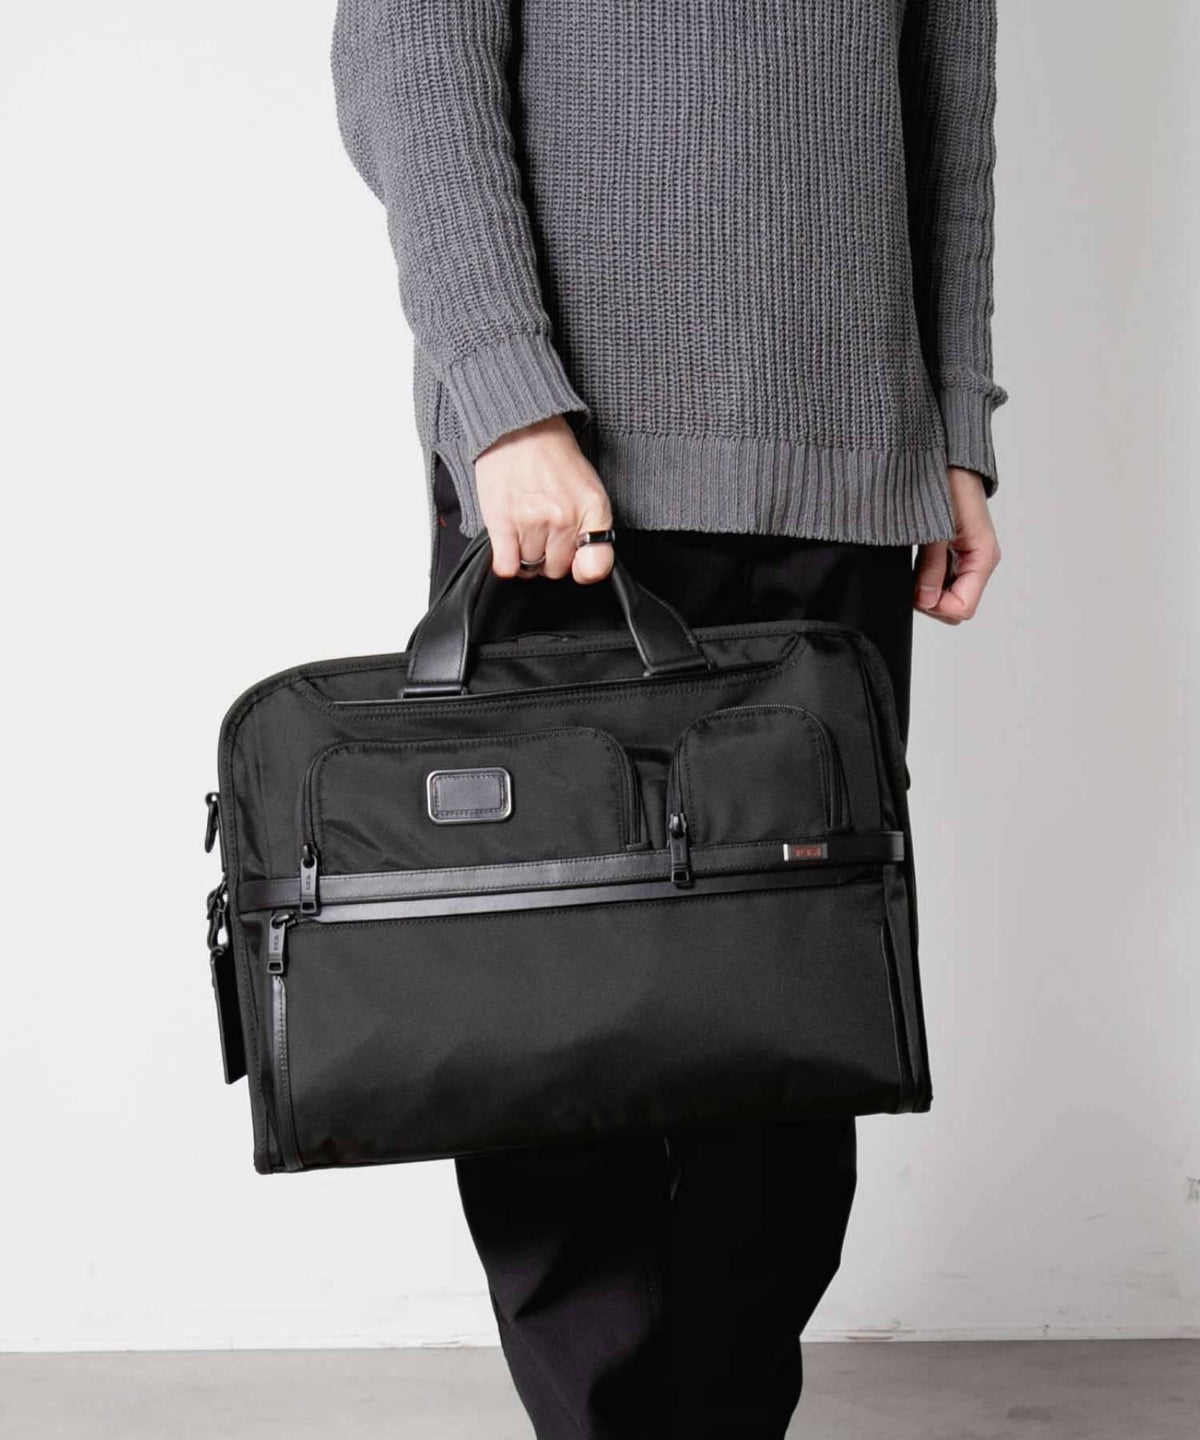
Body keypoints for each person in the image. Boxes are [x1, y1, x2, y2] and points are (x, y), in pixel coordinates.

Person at [331, 3, 1005, 1436]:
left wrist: (954, 417)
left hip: (845, 464)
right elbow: (412, 47)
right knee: (551, 1041)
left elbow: (949, 66)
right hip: (569, 471)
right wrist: (503, 398)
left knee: (792, 1051)